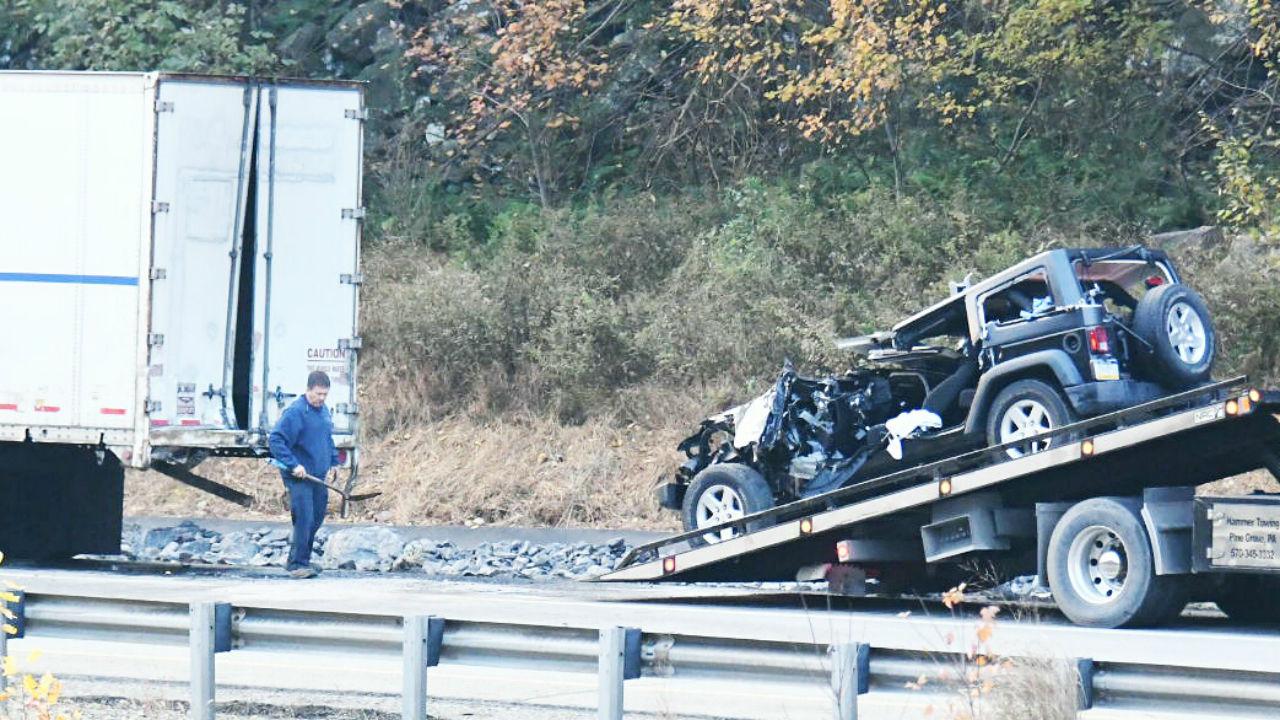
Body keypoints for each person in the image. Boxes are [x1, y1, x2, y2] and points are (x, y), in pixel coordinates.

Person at [269, 370, 340, 579]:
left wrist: (334, 461)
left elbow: (327, 438)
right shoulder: (296, 412)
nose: (321, 398)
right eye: (318, 394)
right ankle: (298, 564)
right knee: (304, 517)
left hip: (318, 475)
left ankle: (300, 560)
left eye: (325, 394)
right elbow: (276, 440)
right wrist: (293, 465)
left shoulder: (324, 410)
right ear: (308, 390)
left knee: (317, 516)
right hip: (298, 475)